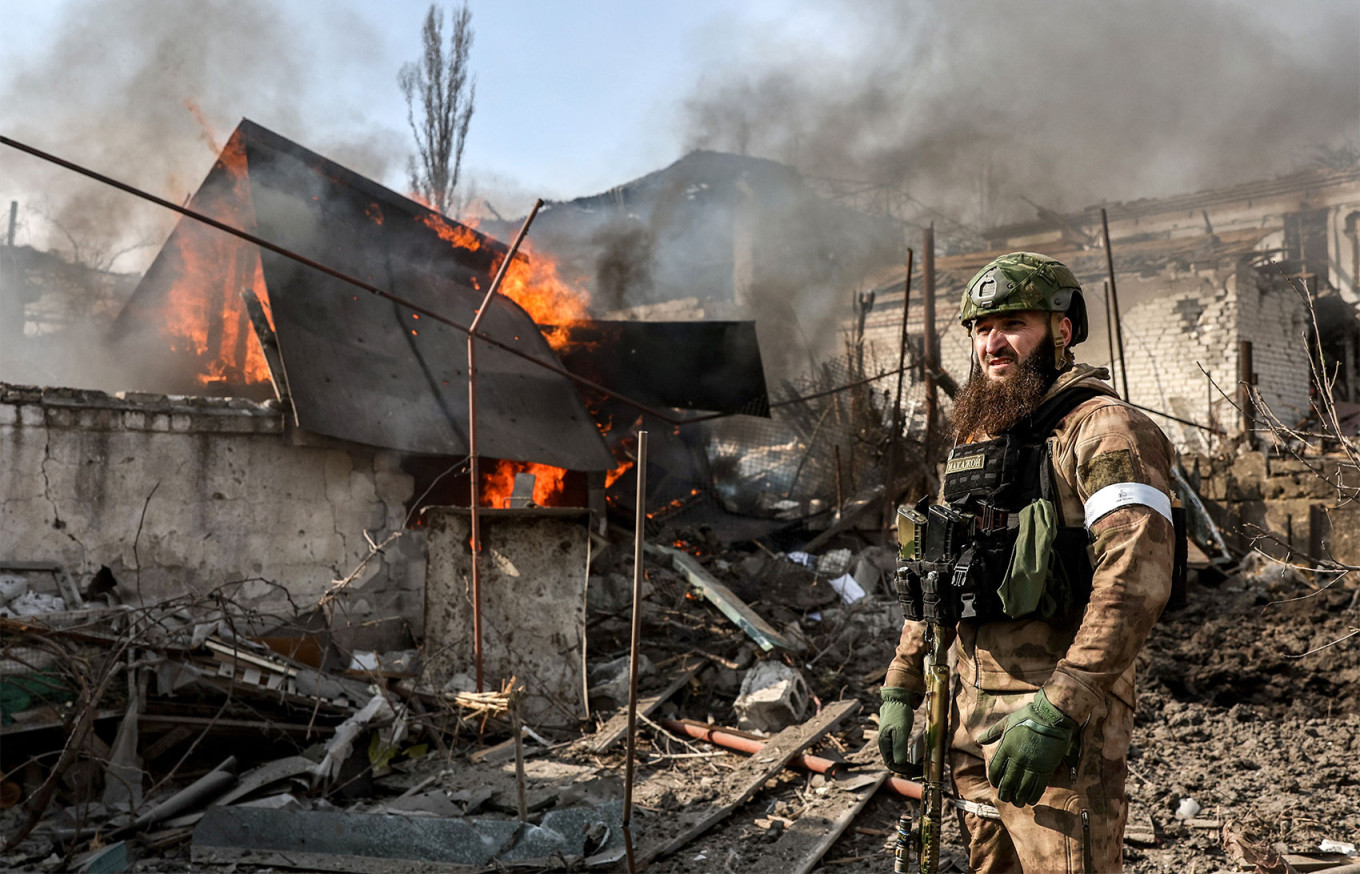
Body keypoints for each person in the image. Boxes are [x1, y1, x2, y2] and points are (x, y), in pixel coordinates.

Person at [877, 252, 1176, 872]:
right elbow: (938, 569)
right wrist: (902, 683)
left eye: (1013, 324)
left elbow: (1136, 580)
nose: (993, 342)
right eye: (982, 328)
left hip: (1057, 729)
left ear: (1062, 330)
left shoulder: (1105, 431)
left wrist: (1059, 706)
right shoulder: (978, 442)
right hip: (967, 719)